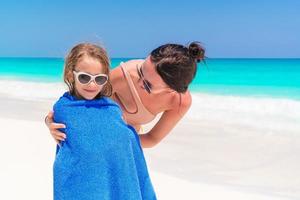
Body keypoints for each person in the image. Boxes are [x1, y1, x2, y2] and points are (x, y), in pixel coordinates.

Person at [46, 42, 205, 148]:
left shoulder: (180, 102)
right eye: (141, 70)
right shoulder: (125, 75)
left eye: (148, 85)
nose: (139, 80)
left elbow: (152, 138)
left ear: (172, 90)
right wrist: (50, 122)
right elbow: (76, 100)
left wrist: (118, 141)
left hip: (123, 144)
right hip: (91, 133)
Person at [53, 43, 156, 199]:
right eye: (84, 77)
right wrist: (48, 122)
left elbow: (120, 140)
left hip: (115, 180)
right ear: (70, 75)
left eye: (99, 79)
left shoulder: (112, 109)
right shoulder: (63, 108)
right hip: (81, 185)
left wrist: (129, 133)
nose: (92, 84)